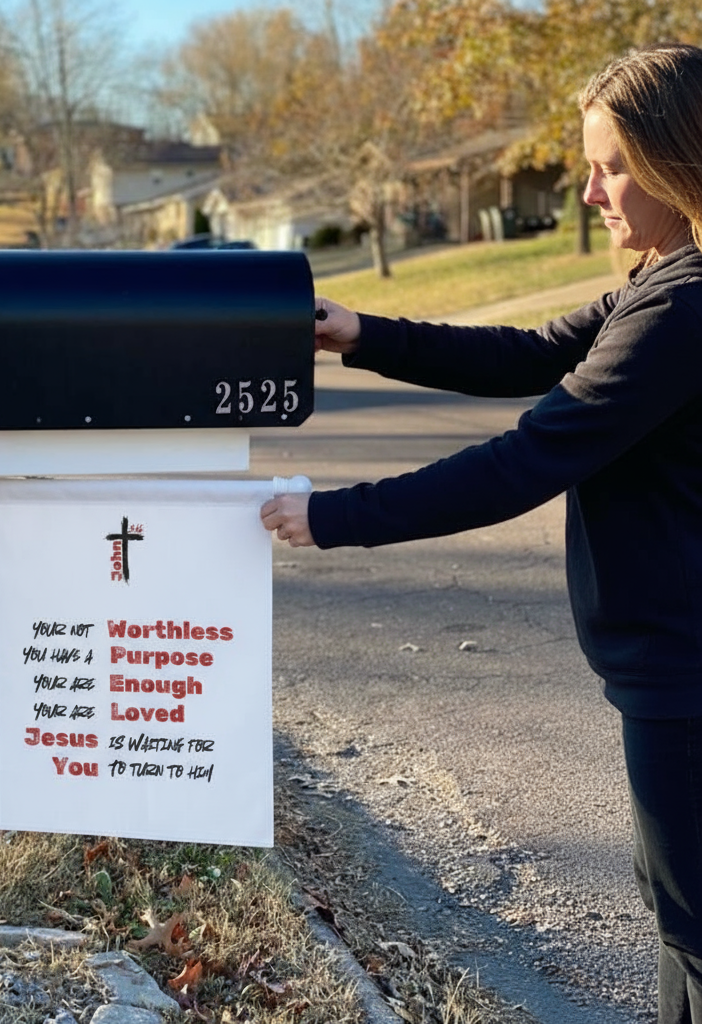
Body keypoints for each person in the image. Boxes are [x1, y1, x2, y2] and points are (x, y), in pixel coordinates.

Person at [261, 42, 702, 1024]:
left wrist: (332, 515)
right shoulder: (663, 278)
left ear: (681, 164)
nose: (589, 192)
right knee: (681, 919)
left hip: (686, 676)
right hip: (669, 666)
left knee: (694, 924)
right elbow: (529, 353)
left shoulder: (683, 307)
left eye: (613, 167)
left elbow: (526, 461)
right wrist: (363, 333)